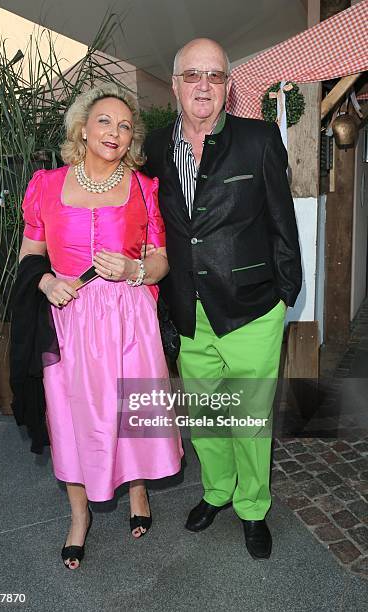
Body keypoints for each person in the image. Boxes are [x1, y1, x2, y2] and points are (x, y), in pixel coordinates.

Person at [143, 38, 302, 559]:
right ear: (175, 85)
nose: (204, 85)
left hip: (253, 309)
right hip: (190, 309)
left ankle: (253, 507)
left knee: (251, 419)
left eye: (214, 75)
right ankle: (218, 491)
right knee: (208, 417)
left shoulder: (258, 140)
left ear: (229, 86)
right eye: (193, 75)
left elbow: (283, 222)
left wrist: (284, 293)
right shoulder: (157, 146)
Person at [17, 83, 183, 570]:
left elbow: (161, 260)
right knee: (69, 419)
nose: (115, 131)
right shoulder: (45, 185)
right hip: (68, 320)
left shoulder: (143, 188)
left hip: (129, 316)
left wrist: (133, 270)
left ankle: (137, 492)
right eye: (105, 121)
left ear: (132, 139)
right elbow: (30, 254)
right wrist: (47, 283)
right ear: (83, 128)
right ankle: (78, 516)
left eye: (125, 125)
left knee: (131, 411)